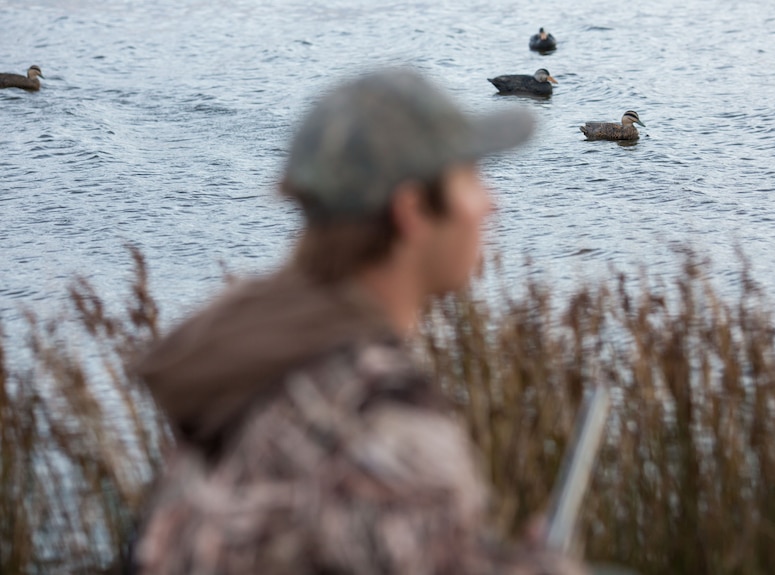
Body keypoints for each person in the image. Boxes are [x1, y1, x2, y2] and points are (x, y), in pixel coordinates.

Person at [132, 68, 584, 575]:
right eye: (471, 178)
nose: (490, 202)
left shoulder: (248, 367)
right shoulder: (386, 425)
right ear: (412, 210)